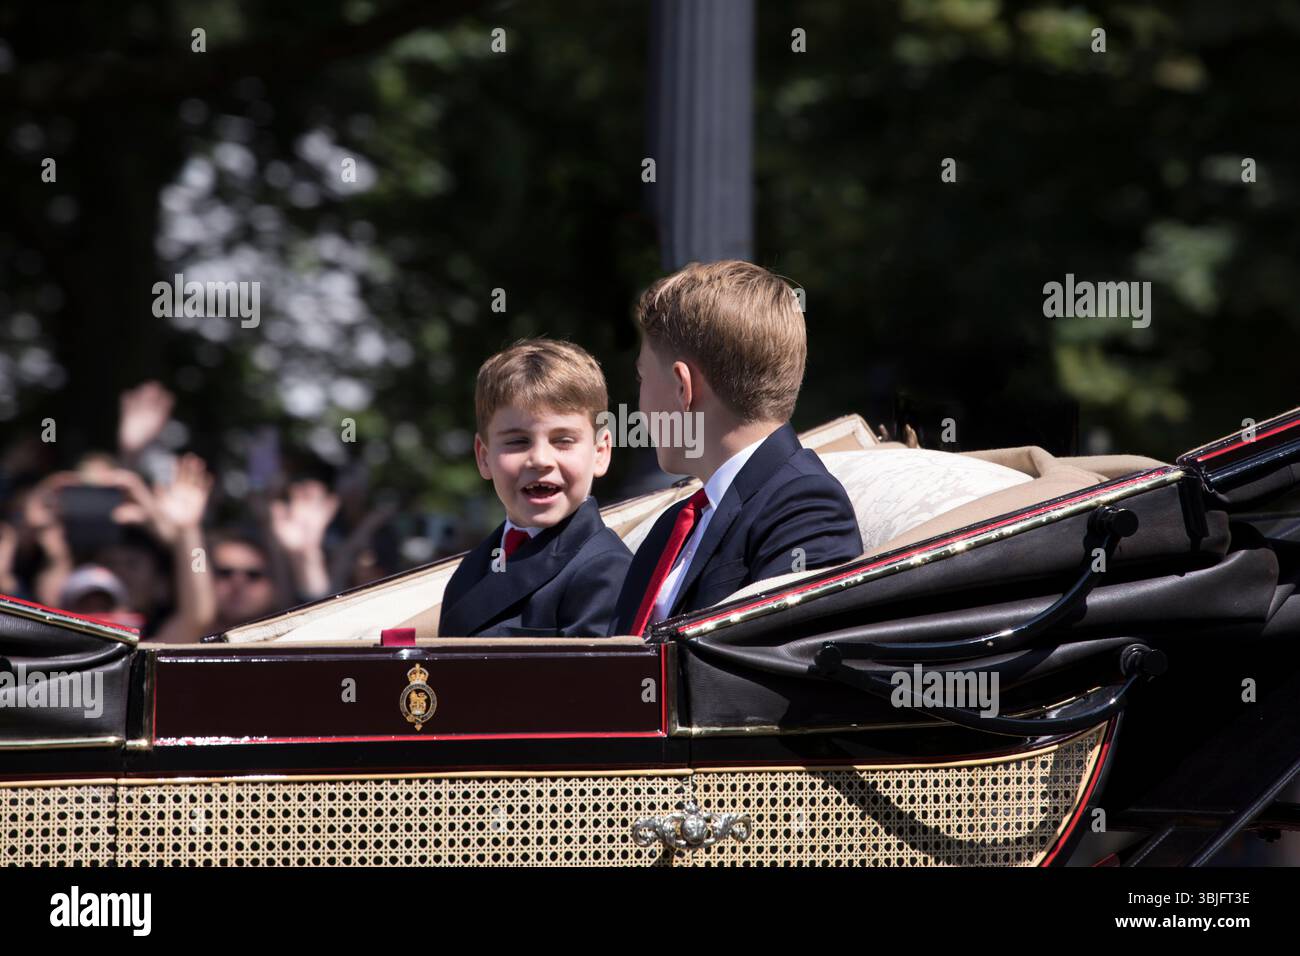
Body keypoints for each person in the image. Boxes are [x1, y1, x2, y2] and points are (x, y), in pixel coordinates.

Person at [610, 259, 863, 636]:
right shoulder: (675, 524)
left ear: (683, 387)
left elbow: (778, 674)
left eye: (642, 377)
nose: (640, 404)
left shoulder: (805, 507)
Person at [438, 339, 632, 637]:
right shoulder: (470, 570)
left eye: (563, 440)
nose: (540, 459)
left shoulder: (605, 570)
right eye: (518, 441)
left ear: (601, 452)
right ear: (484, 456)